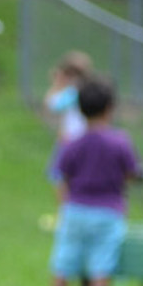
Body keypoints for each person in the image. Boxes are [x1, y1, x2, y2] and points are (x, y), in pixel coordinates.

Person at [49, 73, 143, 286]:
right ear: (110, 108)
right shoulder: (120, 141)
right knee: (102, 268)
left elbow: (60, 175)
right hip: (108, 212)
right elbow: (132, 174)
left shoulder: (72, 143)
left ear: (78, 108)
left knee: (64, 263)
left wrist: (65, 203)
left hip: (75, 210)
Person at [44, 50, 92, 190]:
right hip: (79, 139)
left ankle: (65, 209)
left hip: (71, 139)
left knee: (61, 178)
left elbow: (52, 104)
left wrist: (57, 84)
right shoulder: (85, 90)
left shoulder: (73, 92)